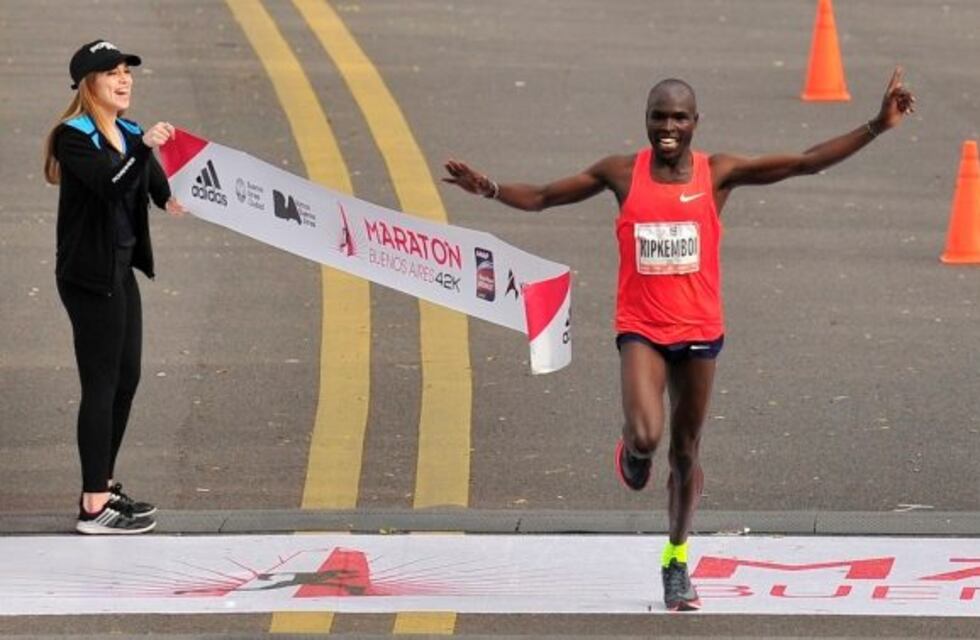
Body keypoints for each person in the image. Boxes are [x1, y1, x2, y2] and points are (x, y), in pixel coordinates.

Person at [443, 68, 915, 611]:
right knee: (648, 435)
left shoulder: (719, 174)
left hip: (698, 332)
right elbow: (548, 196)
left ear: (696, 123)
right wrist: (492, 189)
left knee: (686, 455)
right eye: (658, 117)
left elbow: (805, 162)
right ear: (646, 120)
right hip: (641, 328)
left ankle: (675, 558)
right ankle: (633, 452)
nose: (668, 127)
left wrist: (878, 125)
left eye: (679, 118)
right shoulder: (621, 173)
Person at [43, 40, 188, 534]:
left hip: (120, 269)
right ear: (89, 85)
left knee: (127, 378)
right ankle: (93, 505)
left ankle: (102, 483)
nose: (124, 80)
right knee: (102, 383)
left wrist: (173, 198)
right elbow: (111, 182)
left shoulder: (126, 130)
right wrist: (143, 148)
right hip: (88, 275)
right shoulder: (74, 136)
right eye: (112, 73)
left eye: (127, 72)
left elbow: (148, 180)